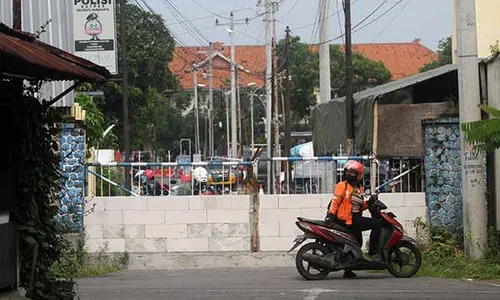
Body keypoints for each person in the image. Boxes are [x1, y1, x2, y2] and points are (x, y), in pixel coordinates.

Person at [325, 160, 382, 278]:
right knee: (377, 224)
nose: (349, 174)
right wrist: (331, 216)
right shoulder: (342, 186)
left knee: (357, 244)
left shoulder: (359, 189)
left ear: (358, 175)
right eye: (348, 171)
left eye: (352, 172)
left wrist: (370, 202)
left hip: (356, 218)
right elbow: (335, 202)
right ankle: (373, 253)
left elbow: (360, 206)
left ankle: (348, 270)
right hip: (348, 220)